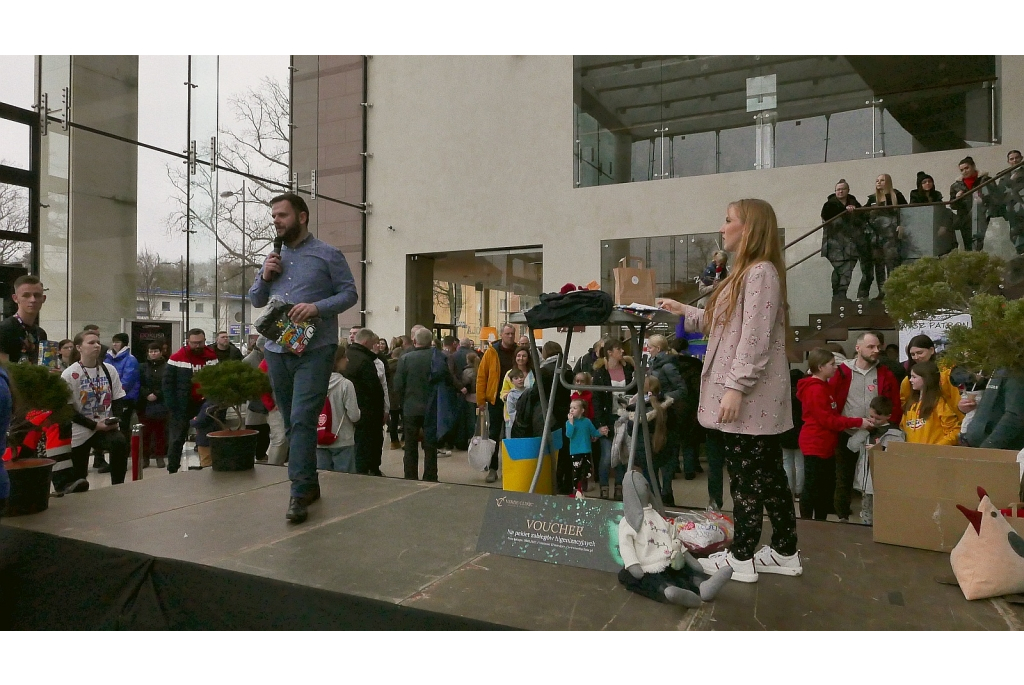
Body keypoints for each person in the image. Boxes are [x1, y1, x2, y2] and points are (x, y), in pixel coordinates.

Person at [657, 198, 801, 583]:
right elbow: (722, 325)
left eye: (728, 221)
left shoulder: (759, 274)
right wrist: (682, 309)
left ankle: (741, 558)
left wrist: (735, 388)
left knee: (747, 475)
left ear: (749, 228)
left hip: (749, 399)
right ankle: (786, 550)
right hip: (753, 398)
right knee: (767, 474)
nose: (722, 228)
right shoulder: (750, 274)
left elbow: (753, 338)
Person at [250, 192, 358, 524]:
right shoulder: (273, 257)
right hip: (276, 349)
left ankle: (297, 494)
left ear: (302, 216)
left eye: (282, 215)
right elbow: (256, 299)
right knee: (290, 420)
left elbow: (349, 294)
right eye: (274, 217)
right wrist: (265, 276)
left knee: (302, 417)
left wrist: (316, 307)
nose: (277, 221)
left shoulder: (328, 255)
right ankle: (308, 484)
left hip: (316, 349)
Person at [827, 331, 902, 521]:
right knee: (843, 477)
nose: (876, 350)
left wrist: (887, 425)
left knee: (875, 478)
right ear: (858, 347)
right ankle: (842, 517)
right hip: (848, 430)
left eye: (878, 347)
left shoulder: (885, 373)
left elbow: (894, 403)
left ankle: (878, 518)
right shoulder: (842, 371)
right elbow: (831, 400)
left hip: (875, 433)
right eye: (871, 347)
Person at [796, 348, 872, 521]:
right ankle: (809, 521)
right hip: (815, 443)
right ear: (821, 367)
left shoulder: (824, 387)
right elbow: (829, 420)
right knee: (813, 485)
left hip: (824, 442)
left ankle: (820, 519)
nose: (835, 368)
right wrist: (857, 421)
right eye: (832, 365)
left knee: (824, 485)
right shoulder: (815, 390)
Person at [59, 330, 129, 490]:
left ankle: (118, 487)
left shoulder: (109, 370)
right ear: (79, 347)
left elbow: (118, 399)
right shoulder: (70, 374)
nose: (97, 345)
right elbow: (68, 410)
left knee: (119, 443)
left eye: (98, 342)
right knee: (80, 476)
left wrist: (115, 420)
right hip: (81, 428)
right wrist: (94, 425)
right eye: (91, 343)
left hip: (105, 425)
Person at [395, 327, 449, 482]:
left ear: (414, 341)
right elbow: (446, 380)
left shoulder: (405, 359)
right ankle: (430, 475)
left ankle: (410, 476)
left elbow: (398, 385)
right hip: (431, 407)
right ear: (430, 341)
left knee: (410, 446)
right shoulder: (439, 358)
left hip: (410, 407)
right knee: (430, 446)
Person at [164, 328, 218, 474]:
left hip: (205, 403)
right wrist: (172, 406)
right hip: (181, 405)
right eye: (194, 343)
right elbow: (167, 384)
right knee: (176, 439)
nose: (197, 346)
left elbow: (217, 380)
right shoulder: (177, 358)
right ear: (188, 342)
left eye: (200, 342)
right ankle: (173, 469)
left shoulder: (211, 357)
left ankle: (207, 467)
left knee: (206, 436)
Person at [846, 395, 904, 525]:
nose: (873, 420)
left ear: (888, 416)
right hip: (866, 482)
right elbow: (851, 446)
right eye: (871, 416)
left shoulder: (895, 433)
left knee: (883, 512)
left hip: (884, 483)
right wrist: (864, 431)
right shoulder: (867, 429)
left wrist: (879, 449)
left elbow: (898, 455)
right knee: (866, 510)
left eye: (878, 418)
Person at [476, 323, 519, 484]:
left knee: (513, 435)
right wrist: (481, 400)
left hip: (514, 400)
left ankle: (513, 468)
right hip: (495, 400)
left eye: (512, 334)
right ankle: (492, 469)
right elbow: (482, 376)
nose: (510, 336)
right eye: (507, 333)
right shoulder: (492, 352)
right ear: (502, 334)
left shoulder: (519, 352)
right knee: (494, 435)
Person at [590, 340, 633, 500]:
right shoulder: (600, 372)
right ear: (609, 352)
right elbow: (597, 400)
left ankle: (619, 487)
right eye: (618, 349)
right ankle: (604, 487)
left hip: (624, 417)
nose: (622, 351)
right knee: (607, 456)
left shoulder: (628, 369)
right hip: (607, 417)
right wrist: (600, 424)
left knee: (621, 455)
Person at [345, 328, 387, 477]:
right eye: (373, 343)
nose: (374, 346)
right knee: (367, 443)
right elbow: (375, 388)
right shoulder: (365, 360)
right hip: (367, 410)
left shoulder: (347, 356)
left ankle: (356, 468)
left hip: (348, 408)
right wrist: (382, 409)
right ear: (365, 342)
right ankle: (367, 469)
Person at [317, 346, 361, 473]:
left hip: (319, 438)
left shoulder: (315, 383)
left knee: (323, 479)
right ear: (336, 360)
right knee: (345, 482)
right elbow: (354, 415)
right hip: (342, 439)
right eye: (344, 357)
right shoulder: (345, 384)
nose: (347, 360)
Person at [863, 174, 907, 300]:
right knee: (879, 264)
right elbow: (863, 213)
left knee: (892, 263)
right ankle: (882, 292)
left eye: (882, 180)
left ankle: (894, 291)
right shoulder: (872, 198)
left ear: (888, 182)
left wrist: (901, 225)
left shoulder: (896, 195)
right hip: (875, 237)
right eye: (877, 180)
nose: (879, 182)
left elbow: (906, 211)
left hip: (891, 235)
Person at [900, 334, 963, 420]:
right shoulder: (908, 379)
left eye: (919, 353)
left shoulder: (946, 372)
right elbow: (904, 404)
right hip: (920, 426)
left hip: (948, 421)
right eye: (912, 354)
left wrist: (960, 422)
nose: (916, 357)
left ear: (932, 350)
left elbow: (956, 399)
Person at [820, 180, 864, 301]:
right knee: (840, 268)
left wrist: (854, 211)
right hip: (835, 243)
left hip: (852, 243)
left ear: (847, 190)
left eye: (842, 189)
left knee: (848, 269)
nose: (840, 191)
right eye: (838, 189)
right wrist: (845, 210)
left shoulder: (855, 203)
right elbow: (827, 217)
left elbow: (862, 218)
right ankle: (837, 294)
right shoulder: (829, 204)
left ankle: (842, 294)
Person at [959, 369, 1024, 450]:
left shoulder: (1017, 373)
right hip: (974, 444)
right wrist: (963, 408)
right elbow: (992, 404)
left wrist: (987, 447)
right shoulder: (996, 369)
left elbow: (1015, 416)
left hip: (998, 451)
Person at [901, 361, 962, 445]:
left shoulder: (939, 404)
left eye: (914, 377)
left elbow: (955, 431)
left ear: (926, 379)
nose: (910, 380)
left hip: (933, 455)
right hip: (912, 455)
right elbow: (902, 430)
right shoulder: (910, 404)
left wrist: (936, 448)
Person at [0, 274, 48, 365]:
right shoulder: (4, 330)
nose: (33, 300)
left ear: (43, 298)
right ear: (15, 298)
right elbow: (3, 371)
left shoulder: (41, 333)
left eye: (37, 295)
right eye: (26, 295)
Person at [105, 332, 140, 446]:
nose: (114, 344)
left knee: (123, 424)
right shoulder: (108, 358)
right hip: (109, 396)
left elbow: (128, 380)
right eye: (113, 342)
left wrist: (115, 392)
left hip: (125, 397)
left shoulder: (130, 359)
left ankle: (125, 449)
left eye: (118, 342)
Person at [138, 341, 168, 469]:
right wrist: (146, 394)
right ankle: (145, 458)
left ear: (161, 352)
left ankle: (159, 456)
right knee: (145, 433)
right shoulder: (142, 367)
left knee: (160, 432)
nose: (153, 354)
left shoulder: (167, 367)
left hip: (161, 403)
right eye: (151, 351)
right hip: (145, 404)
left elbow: (167, 384)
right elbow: (139, 383)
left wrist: (157, 394)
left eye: (155, 351)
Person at [950, 156, 991, 251]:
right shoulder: (955, 186)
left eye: (967, 168)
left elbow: (994, 197)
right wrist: (957, 198)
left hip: (984, 216)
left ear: (973, 166)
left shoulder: (985, 180)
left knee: (985, 245)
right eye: (961, 170)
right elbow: (953, 206)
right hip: (966, 219)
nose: (964, 171)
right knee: (969, 247)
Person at [565, 398, 601, 498]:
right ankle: (576, 490)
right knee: (576, 471)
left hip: (586, 450)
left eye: (575, 408)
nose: (571, 410)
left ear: (582, 410)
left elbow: (593, 432)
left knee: (587, 471)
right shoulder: (569, 423)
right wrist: (571, 423)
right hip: (575, 452)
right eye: (570, 408)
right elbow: (569, 435)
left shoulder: (587, 422)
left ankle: (581, 488)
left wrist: (601, 432)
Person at [779, 368, 806, 500]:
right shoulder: (804, 395)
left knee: (787, 463)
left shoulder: (783, 394)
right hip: (801, 431)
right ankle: (799, 492)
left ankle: (789, 491)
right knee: (800, 464)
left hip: (785, 431)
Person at [502, 367, 528, 437]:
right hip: (515, 425)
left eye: (521, 377)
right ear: (512, 381)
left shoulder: (529, 392)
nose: (520, 380)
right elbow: (511, 411)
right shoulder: (511, 395)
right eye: (516, 378)